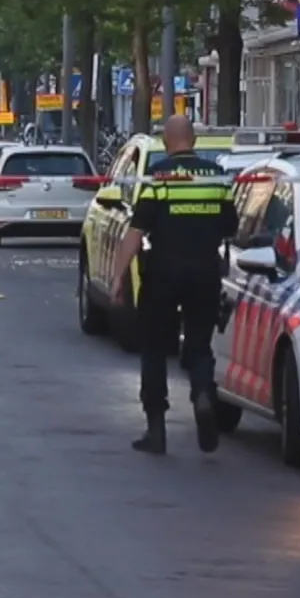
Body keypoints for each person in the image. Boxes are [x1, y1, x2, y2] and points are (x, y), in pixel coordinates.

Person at [109, 115, 238, 456]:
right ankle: (203, 393)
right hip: (205, 272)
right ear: (194, 140)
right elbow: (231, 226)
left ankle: (156, 430)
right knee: (199, 344)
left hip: (162, 273)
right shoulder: (218, 178)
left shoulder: (158, 178)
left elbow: (136, 231)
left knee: (153, 347)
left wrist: (119, 277)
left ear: (167, 142)